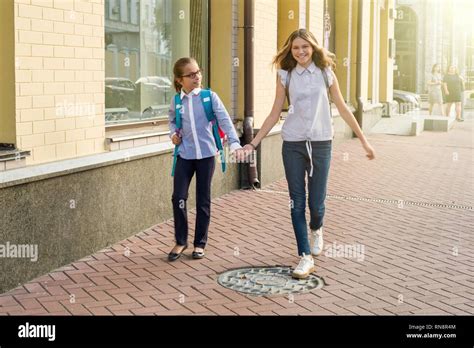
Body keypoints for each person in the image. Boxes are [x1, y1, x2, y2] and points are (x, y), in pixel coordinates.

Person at [241, 29, 375, 279]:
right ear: (290, 51)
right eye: (295, 48)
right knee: (296, 202)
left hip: (322, 142)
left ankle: (317, 228)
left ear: (313, 48)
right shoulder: (285, 75)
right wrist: (253, 143)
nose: (301, 52)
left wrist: (364, 142)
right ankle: (305, 256)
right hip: (292, 143)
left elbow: (343, 108)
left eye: (305, 47)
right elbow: (273, 113)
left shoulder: (325, 73)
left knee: (316, 202)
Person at [167, 57, 245, 261]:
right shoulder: (176, 102)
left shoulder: (209, 97)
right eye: (191, 75)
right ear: (179, 80)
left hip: (207, 155)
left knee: (203, 199)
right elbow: (172, 122)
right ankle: (180, 241)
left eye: (198, 72)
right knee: (179, 198)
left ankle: (199, 244)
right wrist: (173, 135)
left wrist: (234, 144)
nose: (197, 77)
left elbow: (225, 121)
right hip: (185, 154)